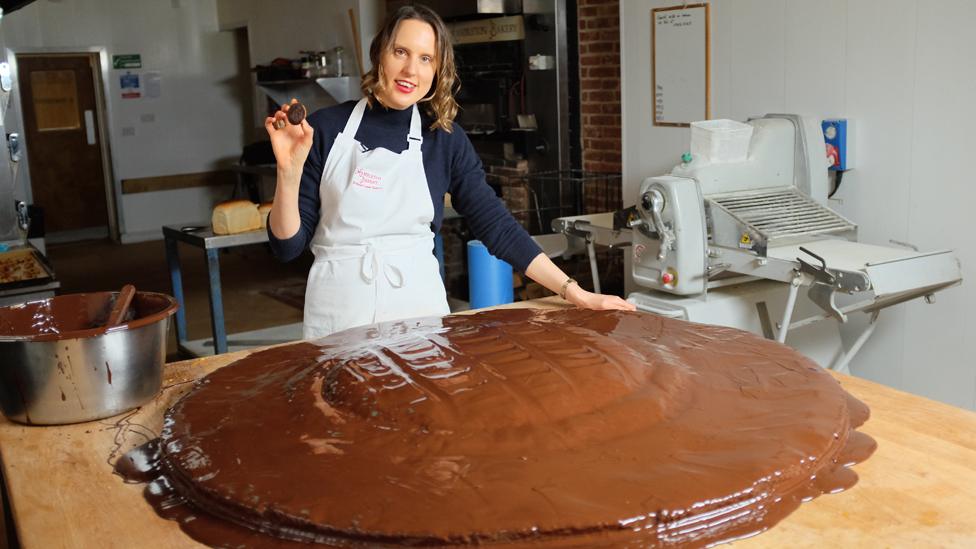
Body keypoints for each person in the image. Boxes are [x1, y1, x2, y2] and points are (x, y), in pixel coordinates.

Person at [266, 3, 634, 339]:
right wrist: (288, 171)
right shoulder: (325, 128)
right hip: (340, 320)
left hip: (419, 317)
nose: (412, 69)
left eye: (426, 58)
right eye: (401, 52)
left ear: (437, 70)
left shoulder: (443, 139)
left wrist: (574, 292)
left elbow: (496, 225)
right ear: (380, 53)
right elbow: (287, 247)